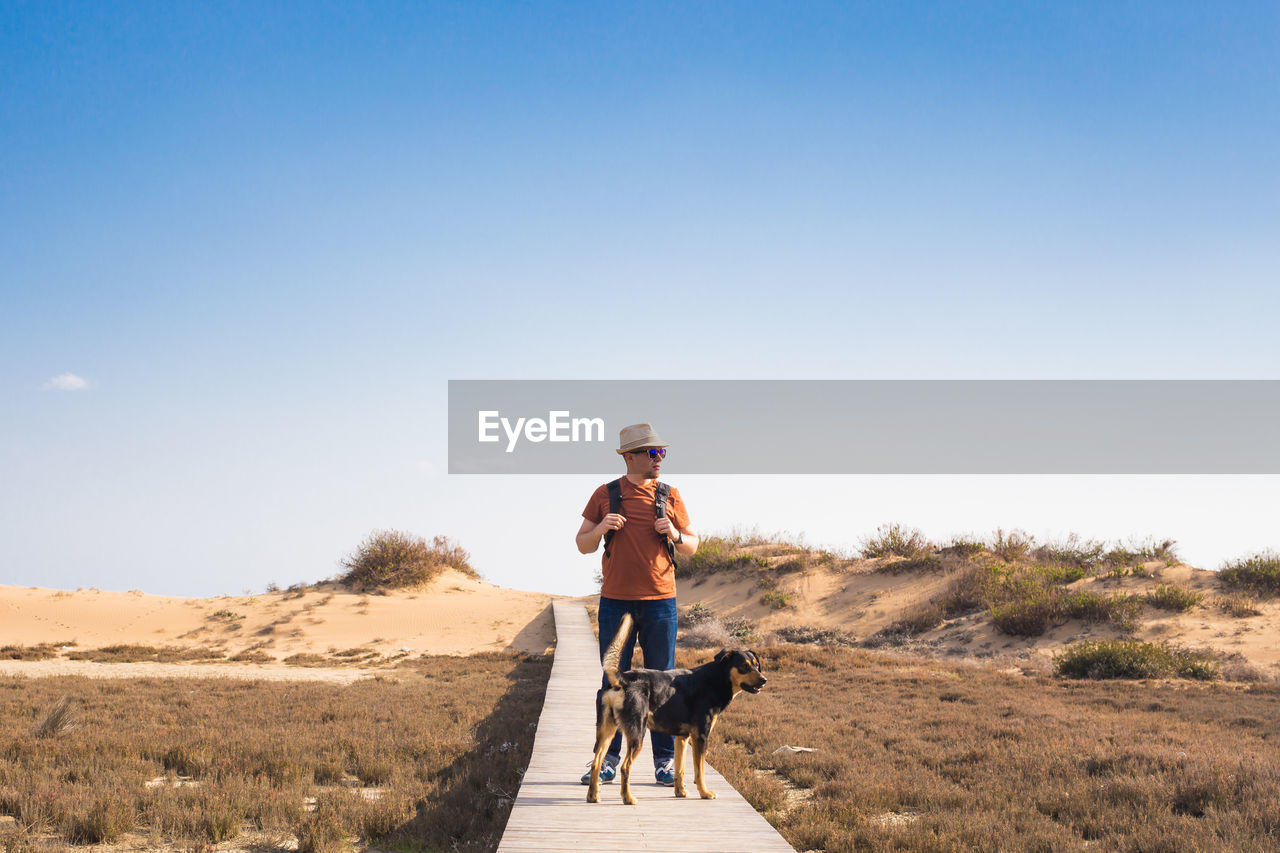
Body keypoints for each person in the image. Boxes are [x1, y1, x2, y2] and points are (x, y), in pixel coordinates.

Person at [575, 423, 698, 787]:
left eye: (662, 452)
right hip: (616, 603)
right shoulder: (605, 493)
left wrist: (674, 534)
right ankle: (606, 759)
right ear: (630, 457)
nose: (659, 459)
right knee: (613, 682)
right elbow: (582, 543)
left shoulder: (669, 494)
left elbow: (693, 544)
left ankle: (662, 762)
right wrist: (601, 528)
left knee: (663, 683)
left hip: (661, 602)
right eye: (652, 453)